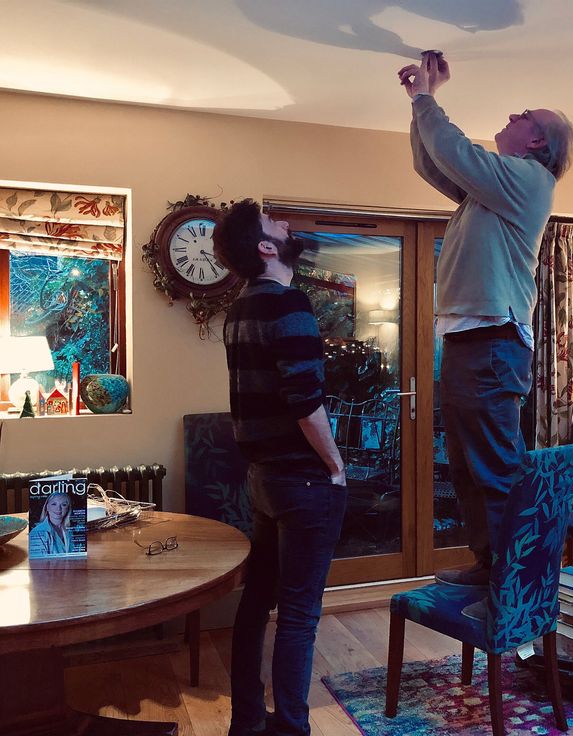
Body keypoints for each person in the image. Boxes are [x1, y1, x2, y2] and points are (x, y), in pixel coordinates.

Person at [398, 53, 573, 614]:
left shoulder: (527, 180)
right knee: (468, 468)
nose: (512, 114)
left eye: (523, 114)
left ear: (534, 143)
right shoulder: (489, 192)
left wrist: (429, 97)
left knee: (495, 471)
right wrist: (418, 103)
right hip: (473, 343)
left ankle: (513, 590)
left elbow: (454, 150)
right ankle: (489, 564)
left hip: (493, 343)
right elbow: (435, 164)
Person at [213, 199, 347, 736]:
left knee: (257, 604)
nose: (287, 225)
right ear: (267, 248)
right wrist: (335, 464)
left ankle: (246, 721)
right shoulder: (288, 303)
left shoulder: (240, 307)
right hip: (304, 480)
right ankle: (292, 727)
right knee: (298, 614)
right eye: (275, 224)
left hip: (264, 480)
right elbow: (304, 400)